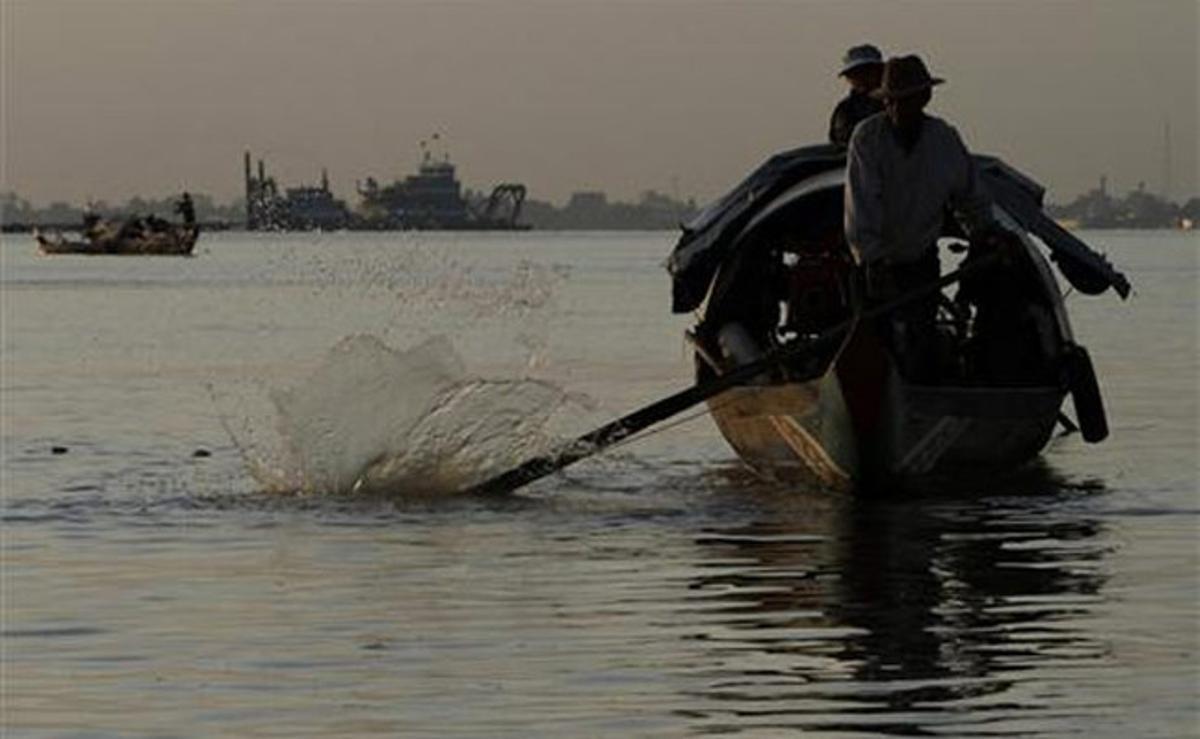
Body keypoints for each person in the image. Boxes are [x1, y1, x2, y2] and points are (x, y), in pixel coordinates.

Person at [843, 54, 998, 380]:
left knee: (921, 339)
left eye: (907, 100)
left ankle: (921, 393)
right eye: (893, 102)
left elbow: (970, 196)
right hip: (874, 263)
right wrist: (872, 259)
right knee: (874, 342)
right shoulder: (867, 138)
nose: (898, 109)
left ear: (925, 98)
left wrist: (985, 235)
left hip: (920, 261)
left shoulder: (944, 139)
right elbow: (862, 204)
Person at [829, 44, 885, 148]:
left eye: (867, 71)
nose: (862, 78)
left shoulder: (898, 101)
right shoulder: (846, 108)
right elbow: (842, 138)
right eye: (855, 74)